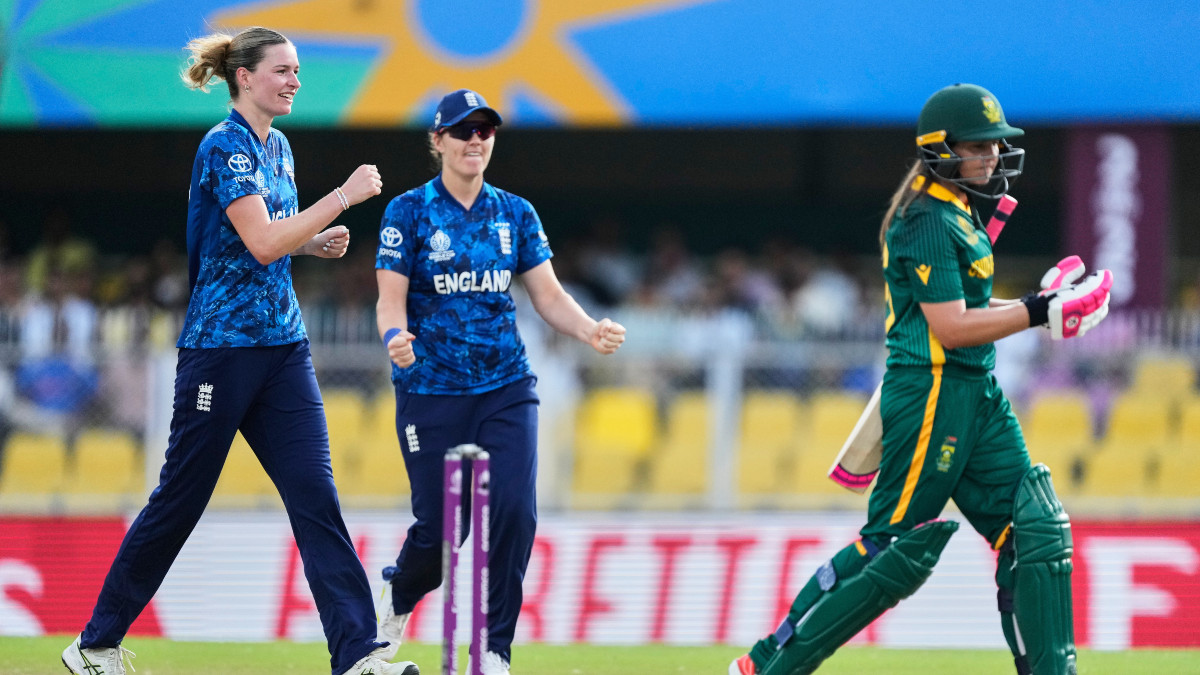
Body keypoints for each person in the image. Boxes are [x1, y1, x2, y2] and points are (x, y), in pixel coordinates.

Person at [61, 26, 417, 675]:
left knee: (316, 494)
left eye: (298, 70)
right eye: (282, 70)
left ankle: (358, 653)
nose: (294, 81)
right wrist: (343, 195)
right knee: (181, 499)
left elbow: (265, 237)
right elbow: (257, 243)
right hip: (221, 352)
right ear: (244, 77)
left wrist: (309, 242)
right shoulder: (223, 147)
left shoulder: (276, 146)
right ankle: (93, 643)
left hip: (282, 347)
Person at [729, 83, 1112, 675]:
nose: (991, 156)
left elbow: (970, 313)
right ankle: (766, 666)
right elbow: (952, 328)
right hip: (932, 390)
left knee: (1033, 528)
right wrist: (1038, 312)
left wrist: (1043, 300)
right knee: (893, 549)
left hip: (975, 390)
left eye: (995, 145)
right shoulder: (925, 218)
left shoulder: (957, 210)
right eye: (979, 146)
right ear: (942, 149)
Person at [373, 89, 627, 674]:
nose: (475, 141)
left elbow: (548, 296)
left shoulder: (515, 213)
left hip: (506, 386)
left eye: (485, 131)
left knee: (514, 511)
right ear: (437, 141)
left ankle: (493, 650)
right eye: (462, 131)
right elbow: (389, 303)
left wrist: (589, 331)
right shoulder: (407, 213)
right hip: (431, 388)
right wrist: (396, 340)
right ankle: (399, 598)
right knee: (443, 529)